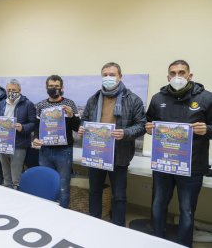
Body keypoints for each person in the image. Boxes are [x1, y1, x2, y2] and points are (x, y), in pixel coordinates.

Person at [146, 60, 212, 247]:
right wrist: (149, 128)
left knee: (187, 210)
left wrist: (206, 129)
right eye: (173, 73)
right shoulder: (158, 98)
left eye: (181, 72)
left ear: (190, 76)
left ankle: (183, 244)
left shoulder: (207, 98)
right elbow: (149, 122)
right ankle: (156, 241)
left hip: (192, 166)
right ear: (168, 77)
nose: (177, 77)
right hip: (163, 164)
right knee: (158, 206)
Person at [77, 62, 146, 226]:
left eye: (112, 74)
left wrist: (125, 132)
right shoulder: (94, 99)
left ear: (120, 77)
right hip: (96, 153)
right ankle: (95, 222)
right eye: (105, 74)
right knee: (94, 191)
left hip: (119, 156)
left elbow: (142, 125)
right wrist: (83, 128)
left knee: (119, 195)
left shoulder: (133, 99)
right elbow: (85, 118)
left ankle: (118, 226)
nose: (108, 78)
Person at [32, 75, 80, 208]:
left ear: (62, 87)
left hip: (63, 151)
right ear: (46, 87)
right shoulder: (41, 105)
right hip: (45, 149)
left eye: (57, 86)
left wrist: (71, 116)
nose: (54, 89)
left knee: (64, 184)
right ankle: (47, 209)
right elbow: (37, 126)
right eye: (51, 86)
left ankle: (62, 211)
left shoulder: (69, 104)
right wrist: (35, 137)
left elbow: (77, 127)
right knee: (46, 181)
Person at [0, 79, 36, 188]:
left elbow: (33, 124)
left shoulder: (28, 104)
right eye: (9, 90)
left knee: (16, 178)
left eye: (14, 90)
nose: (11, 92)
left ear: (20, 90)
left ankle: (18, 198)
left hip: (18, 144)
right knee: (6, 176)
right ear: (6, 91)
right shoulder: (0, 104)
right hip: (2, 143)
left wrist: (22, 127)